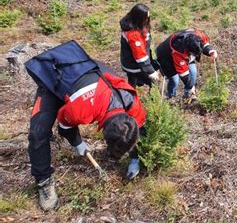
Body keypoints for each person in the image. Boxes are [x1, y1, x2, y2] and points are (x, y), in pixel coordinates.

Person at [25, 41, 147, 211]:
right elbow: (64, 126)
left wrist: (135, 158)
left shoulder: (131, 100)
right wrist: (77, 143)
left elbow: (139, 128)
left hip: (91, 75)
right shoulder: (82, 111)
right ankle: (44, 181)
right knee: (37, 134)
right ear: (103, 132)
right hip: (56, 78)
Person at [155, 28, 217, 99]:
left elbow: (205, 44)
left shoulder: (198, 36)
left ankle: (188, 94)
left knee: (193, 72)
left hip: (184, 55)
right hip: (166, 57)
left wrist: (210, 51)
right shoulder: (178, 49)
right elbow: (183, 72)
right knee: (175, 80)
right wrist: (191, 86)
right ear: (188, 50)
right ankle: (171, 96)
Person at [120, 4, 160, 87]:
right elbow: (140, 56)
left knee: (132, 81)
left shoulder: (133, 24)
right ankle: (152, 99)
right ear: (139, 18)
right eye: (146, 18)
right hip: (134, 65)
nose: (147, 20)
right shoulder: (133, 35)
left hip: (128, 62)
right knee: (154, 83)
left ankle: (132, 93)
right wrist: (151, 71)